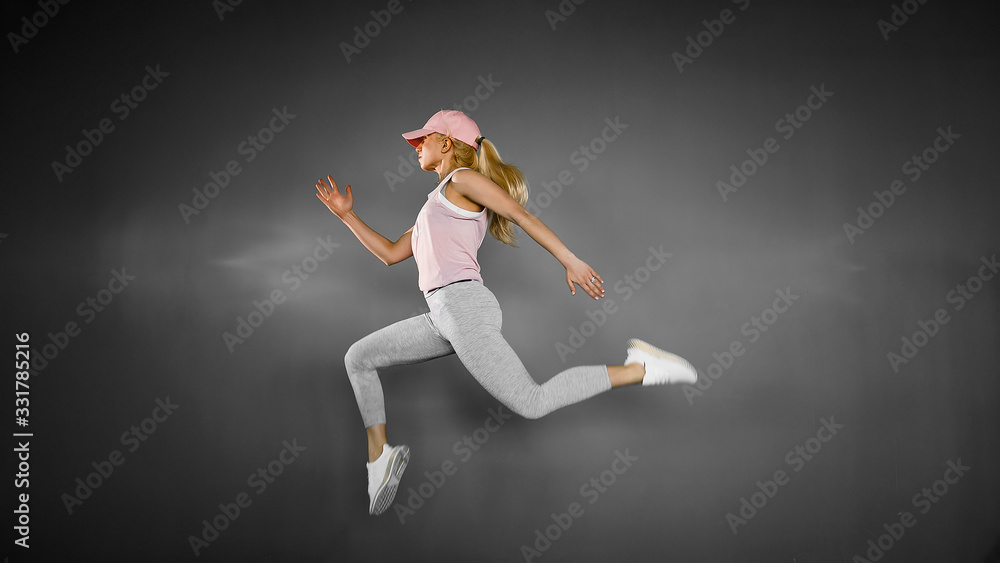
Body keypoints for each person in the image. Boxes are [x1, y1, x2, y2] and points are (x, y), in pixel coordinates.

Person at [315, 110, 697, 516]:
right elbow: (391, 254)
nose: (415, 146)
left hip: (463, 307)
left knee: (532, 402)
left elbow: (520, 214)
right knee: (358, 358)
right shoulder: (432, 207)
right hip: (442, 314)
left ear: (446, 143)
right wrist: (347, 216)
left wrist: (570, 260)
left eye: (422, 139)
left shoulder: (461, 180)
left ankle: (640, 367)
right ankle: (380, 458)